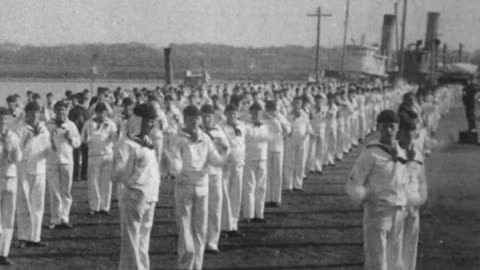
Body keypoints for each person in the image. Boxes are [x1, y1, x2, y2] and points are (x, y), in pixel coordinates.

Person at [167, 105, 229, 270]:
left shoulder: (205, 138)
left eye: (196, 119)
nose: (194, 122)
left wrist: (225, 153)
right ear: (185, 120)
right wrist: (176, 166)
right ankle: (185, 267)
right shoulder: (178, 138)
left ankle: (197, 266)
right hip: (184, 187)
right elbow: (175, 163)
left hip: (202, 187)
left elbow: (215, 160)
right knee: (185, 230)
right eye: (190, 119)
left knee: (200, 230)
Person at [345, 110, 408, 270]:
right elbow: (354, 182)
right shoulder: (371, 152)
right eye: (384, 127)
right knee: (377, 261)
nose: (388, 131)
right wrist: (364, 196)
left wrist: (405, 202)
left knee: (395, 260)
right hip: (378, 211)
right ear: (378, 127)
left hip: (398, 210)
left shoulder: (401, 151)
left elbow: (403, 181)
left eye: (392, 127)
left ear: (398, 128)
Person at [114, 103, 160, 270]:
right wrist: (132, 181)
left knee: (143, 240)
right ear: (138, 121)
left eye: (153, 121)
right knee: (132, 240)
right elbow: (118, 173)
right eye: (149, 121)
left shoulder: (147, 142)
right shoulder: (126, 144)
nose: (152, 125)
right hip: (135, 196)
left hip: (150, 196)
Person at [16, 102, 50, 248]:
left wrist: (52, 148)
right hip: (24, 169)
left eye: (37, 112)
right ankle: (23, 236)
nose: (34, 115)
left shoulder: (44, 130)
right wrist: (28, 141)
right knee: (24, 204)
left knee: (38, 205)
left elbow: (48, 149)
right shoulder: (21, 129)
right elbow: (17, 152)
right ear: (27, 114)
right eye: (31, 113)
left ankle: (35, 237)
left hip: (40, 170)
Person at [397, 113, 428, 270]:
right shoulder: (392, 153)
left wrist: (422, 199)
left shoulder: (418, 154)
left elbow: (422, 181)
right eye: (405, 131)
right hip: (397, 205)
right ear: (399, 133)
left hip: (413, 205)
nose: (409, 135)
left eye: (412, 131)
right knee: (394, 248)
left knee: (410, 246)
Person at [45, 101, 81, 229]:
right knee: (54, 191)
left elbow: (78, 143)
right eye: (58, 110)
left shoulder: (71, 125)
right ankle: (55, 219)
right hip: (52, 161)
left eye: (63, 110)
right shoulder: (48, 125)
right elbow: (43, 143)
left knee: (66, 191)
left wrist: (71, 138)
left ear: (66, 111)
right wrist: (50, 138)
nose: (61, 113)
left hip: (67, 161)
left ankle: (65, 218)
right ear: (54, 111)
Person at [200, 104, 230, 254]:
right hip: (201, 173)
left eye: (209, 116)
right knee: (201, 209)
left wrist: (222, 147)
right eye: (204, 115)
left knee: (215, 208)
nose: (206, 118)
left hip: (216, 172)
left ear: (212, 117)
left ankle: (213, 241)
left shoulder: (219, 131)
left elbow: (227, 150)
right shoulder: (197, 131)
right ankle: (201, 239)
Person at [81, 102, 117, 215]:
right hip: (93, 155)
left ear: (106, 112)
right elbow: (83, 138)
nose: (101, 114)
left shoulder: (110, 124)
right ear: (95, 112)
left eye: (103, 112)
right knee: (93, 182)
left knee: (106, 182)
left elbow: (115, 138)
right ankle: (94, 207)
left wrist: (116, 135)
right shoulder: (89, 123)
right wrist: (89, 140)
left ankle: (105, 207)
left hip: (107, 155)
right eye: (99, 112)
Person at [220, 104, 247, 238]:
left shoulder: (242, 126)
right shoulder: (221, 127)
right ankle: (225, 225)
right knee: (225, 195)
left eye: (235, 113)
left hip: (239, 164)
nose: (232, 116)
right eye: (230, 113)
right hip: (226, 165)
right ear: (225, 114)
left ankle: (234, 225)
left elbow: (243, 143)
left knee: (236, 195)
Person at [0, 107, 22, 266]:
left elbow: (18, 158)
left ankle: (3, 253)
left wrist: (11, 150)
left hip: (11, 178)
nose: (2, 121)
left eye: (5, 118)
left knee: (9, 218)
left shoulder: (13, 136)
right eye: (0, 118)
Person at [242, 102, 271, 222]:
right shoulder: (245, 126)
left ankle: (259, 214)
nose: (256, 114)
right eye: (254, 112)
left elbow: (268, 139)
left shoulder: (265, 126)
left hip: (262, 158)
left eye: (258, 112)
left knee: (261, 187)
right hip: (250, 159)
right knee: (249, 187)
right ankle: (249, 215)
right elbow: (246, 140)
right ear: (250, 113)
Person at [264, 100, 290, 207]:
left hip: (278, 147)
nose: (273, 111)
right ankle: (267, 198)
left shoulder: (280, 117)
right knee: (267, 174)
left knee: (277, 173)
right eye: (270, 109)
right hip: (266, 148)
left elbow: (288, 130)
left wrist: (279, 122)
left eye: (274, 109)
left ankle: (276, 198)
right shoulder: (263, 118)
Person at [283, 97, 313, 191]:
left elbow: (308, 126)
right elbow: (285, 126)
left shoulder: (305, 115)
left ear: (301, 105)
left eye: (299, 104)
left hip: (302, 140)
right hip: (291, 140)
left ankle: (298, 184)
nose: (297, 105)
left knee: (300, 162)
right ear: (293, 104)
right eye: (295, 103)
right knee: (289, 162)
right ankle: (288, 184)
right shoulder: (288, 114)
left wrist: (310, 133)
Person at [69, 93, 90, 181]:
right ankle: (84, 174)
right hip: (84, 134)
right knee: (85, 156)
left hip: (76, 134)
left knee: (76, 156)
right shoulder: (86, 111)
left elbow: (70, 123)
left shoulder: (73, 110)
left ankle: (75, 174)